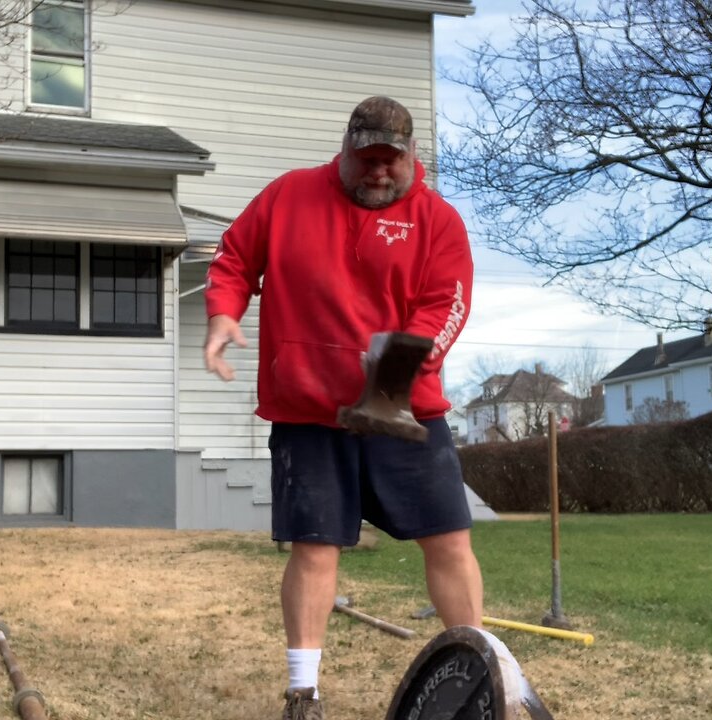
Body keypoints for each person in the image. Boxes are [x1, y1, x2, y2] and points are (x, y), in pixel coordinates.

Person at [202, 96, 484, 720]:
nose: (379, 171)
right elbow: (233, 260)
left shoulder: (437, 221)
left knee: (449, 541)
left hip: (405, 407)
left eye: (392, 160)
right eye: (367, 159)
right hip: (308, 410)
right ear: (346, 148)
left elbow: (447, 306)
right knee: (315, 546)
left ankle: (475, 675)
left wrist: (396, 373)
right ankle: (303, 692)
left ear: (413, 158)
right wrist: (223, 314)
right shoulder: (288, 197)